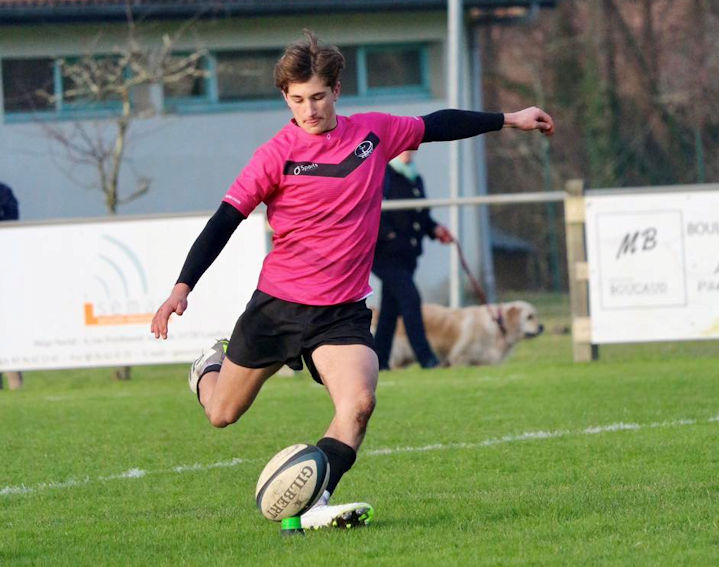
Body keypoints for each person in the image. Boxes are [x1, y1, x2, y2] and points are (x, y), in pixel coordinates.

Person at [150, 30, 554, 530]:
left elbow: (436, 124)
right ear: (285, 97)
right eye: (298, 99)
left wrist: (509, 118)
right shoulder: (274, 155)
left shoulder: (372, 134)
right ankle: (208, 367)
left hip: (341, 312)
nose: (309, 109)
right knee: (221, 413)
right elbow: (224, 221)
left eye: (318, 96)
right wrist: (182, 287)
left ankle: (314, 503)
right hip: (278, 307)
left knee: (359, 404)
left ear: (337, 90)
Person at [372, 150, 453, 370]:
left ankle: (379, 360)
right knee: (410, 299)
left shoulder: (415, 177)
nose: (407, 152)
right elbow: (371, 210)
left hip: (407, 255)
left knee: (390, 310)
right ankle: (427, 359)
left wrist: (435, 229)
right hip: (385, 255)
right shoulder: (383, 175)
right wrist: (389, 235)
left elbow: (420, 215)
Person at [0, 182, 23, 391]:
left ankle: (15, 383)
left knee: (7, 329)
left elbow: (12, 223)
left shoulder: (3, 192)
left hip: (4, 269)